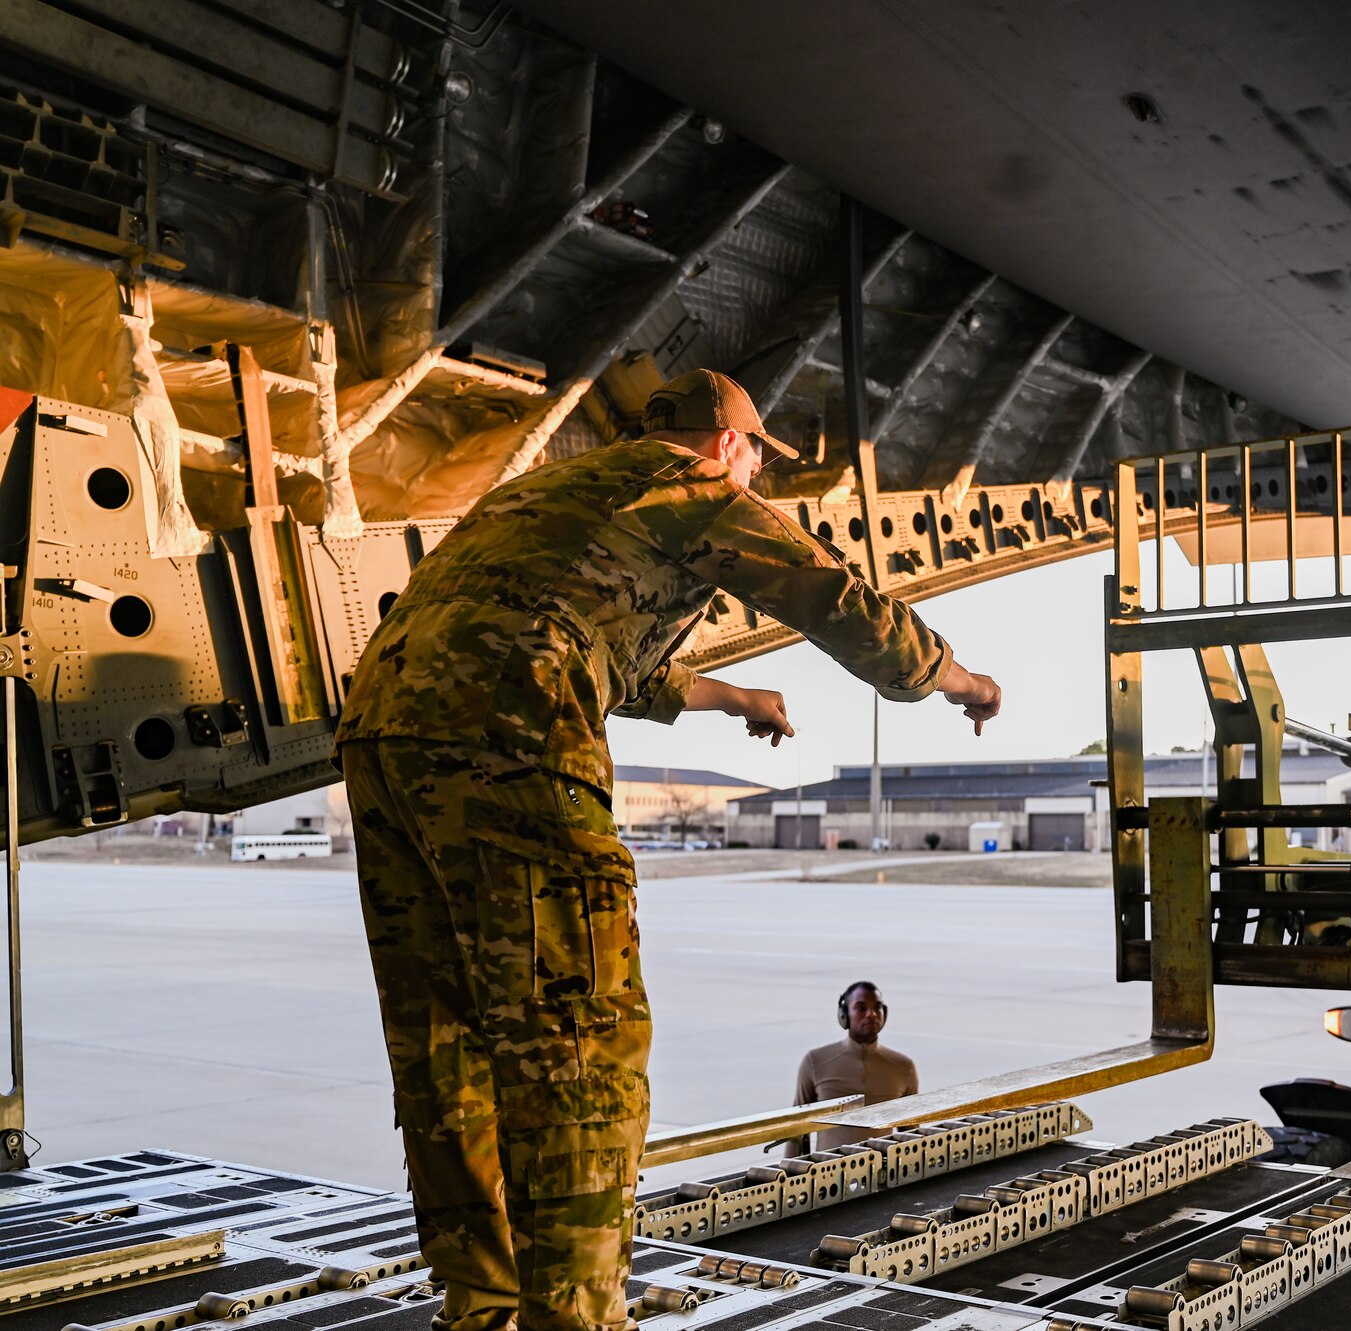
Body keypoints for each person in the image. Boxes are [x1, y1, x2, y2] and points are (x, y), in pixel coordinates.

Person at [335, 368, 1001, 1331]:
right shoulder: (690, 488)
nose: (756, 484)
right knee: (577, 1037)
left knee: (448, 1040)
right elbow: (837, 600)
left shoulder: (547, 495)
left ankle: (480, 1302)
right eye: (755, 464)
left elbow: (619, 660)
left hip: (383, 738)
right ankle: (577, 1315)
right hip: (508, 734)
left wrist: (741, 701)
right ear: (731, 446)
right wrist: (960, 679)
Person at [784, 982, 918, 1157]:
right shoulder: (815, 1062)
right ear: (844, 1015)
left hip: (884, 1175)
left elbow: (912, 1136)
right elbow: (796, 1130)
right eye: (861, 1008)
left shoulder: (903, 1067)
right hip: (828, 1174)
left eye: (877, 1007)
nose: (871, 1014)